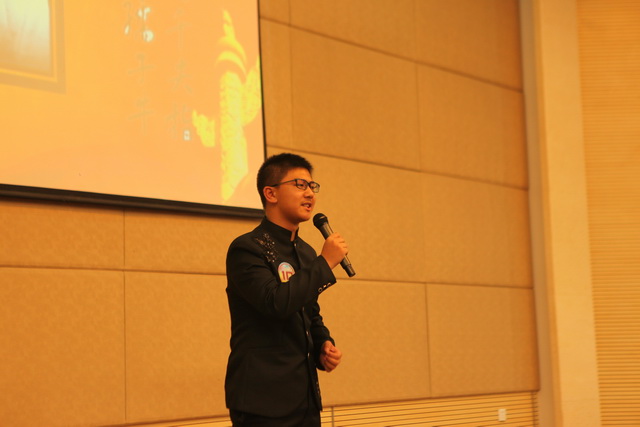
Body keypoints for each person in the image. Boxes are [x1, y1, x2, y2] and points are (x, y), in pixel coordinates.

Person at [225, 153, 347, 426]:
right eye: (299, 185)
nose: (310, 194)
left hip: (305, 399)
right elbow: (275, 303)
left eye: (312, 186)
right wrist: (325, 263)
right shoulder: (247, 248)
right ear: (271, 193)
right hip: (262, 402)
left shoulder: (306, 252)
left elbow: (309, 313)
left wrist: (323, 344)